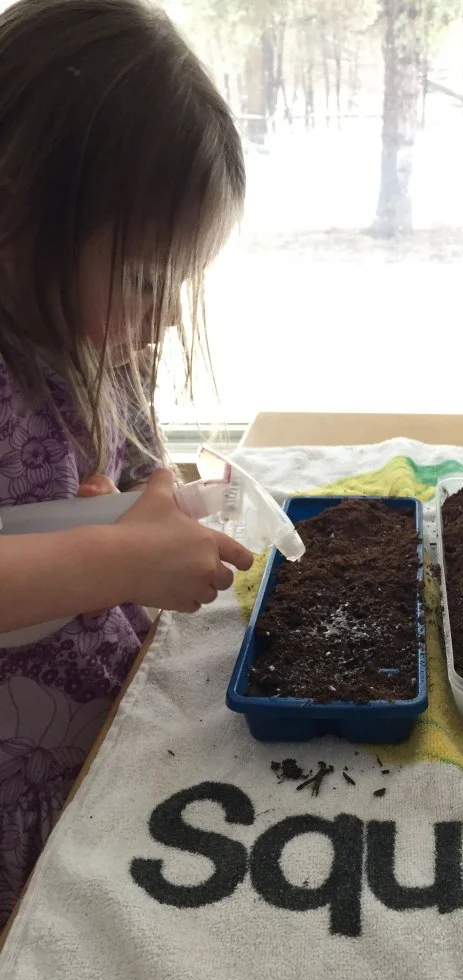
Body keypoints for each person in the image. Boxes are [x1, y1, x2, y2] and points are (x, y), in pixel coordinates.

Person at [0, 0, 254, 926]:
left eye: (179, 284)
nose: (169, 317)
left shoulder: (89, 337)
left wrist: (137, 511)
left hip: (98, 759)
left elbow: (97, 494)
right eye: (148, 279)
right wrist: (114, 559)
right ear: (15, 203)